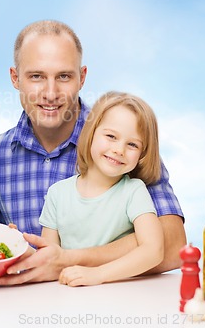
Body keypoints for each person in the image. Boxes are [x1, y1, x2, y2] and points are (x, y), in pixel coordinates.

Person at [0, 19, 186, 285]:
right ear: (15, 78)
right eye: (36, 76)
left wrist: (71, 260)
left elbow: (173, 245)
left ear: (82, 77)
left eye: (64, 76)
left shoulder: (118, 144)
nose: (50, 93)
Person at [40, 91, 164, 286]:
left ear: (142, 153)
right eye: (111, 136)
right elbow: (49, 258)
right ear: (91, 133)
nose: (119, 150)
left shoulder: (133, 191)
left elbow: (154, 250)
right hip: (68, 295)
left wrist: (98, 275)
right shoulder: (57, 193)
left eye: (132, 144)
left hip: (118, 296)